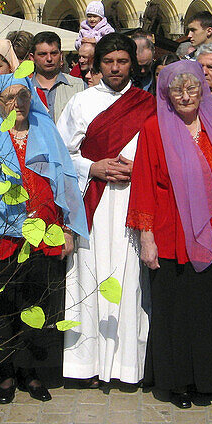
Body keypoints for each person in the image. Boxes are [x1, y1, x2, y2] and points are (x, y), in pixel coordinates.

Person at [0, 75, 88, 403]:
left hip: (41, 235)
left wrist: (68, 228)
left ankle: (30, 372)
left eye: (23, 97)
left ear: (33, 100)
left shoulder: (46, 133)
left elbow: (65, 182)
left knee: (36, 306)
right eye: (7, 98)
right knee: (1, 308)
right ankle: (3, 374)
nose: (16, 104)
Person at [128, 61, 212, 408]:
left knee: (207, 309)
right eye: (177, 90)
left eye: (192, 88)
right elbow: (144, 184)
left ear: (203, 90)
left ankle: (206, 380)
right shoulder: (154, 128)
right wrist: (146, 236)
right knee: (173, 310)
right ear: (166, 93)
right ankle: (175, 382)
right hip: (170, 232)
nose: (185, 96)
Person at [57, 33, 155, 385]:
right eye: (109, 61)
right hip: (91, 204)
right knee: (89, 277)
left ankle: (126, 367)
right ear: (98, 63)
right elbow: (59, 156)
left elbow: (160, 155)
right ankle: (87, 366)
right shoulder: (80, 103)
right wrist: (92, 167)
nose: (115, 68)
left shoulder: (148, 104)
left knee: (128, 281)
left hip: (133, 204)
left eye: (123, 61)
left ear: (134, 64)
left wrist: (139, 166)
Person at [31, 31, 84, 123]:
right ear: (32, 58)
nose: (49, 59)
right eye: (43, 54)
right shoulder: (24, 89)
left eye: (54, 53)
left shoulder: (79, 87)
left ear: (61, 55)